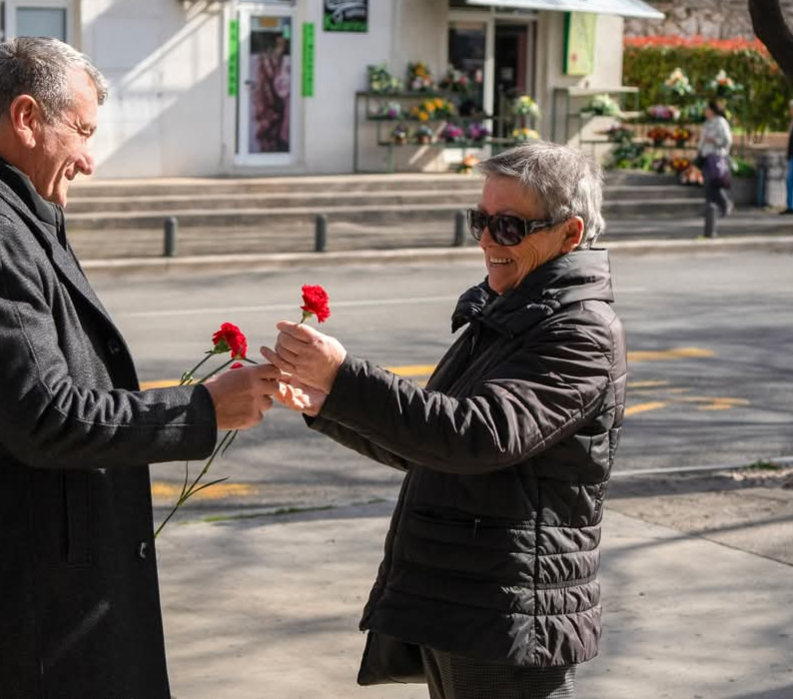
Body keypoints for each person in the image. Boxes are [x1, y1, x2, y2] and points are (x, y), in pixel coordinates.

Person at [0, 37, 280, 699]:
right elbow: (46, 416)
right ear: (26, 119)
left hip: (0, 606)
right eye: (81, 131)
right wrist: (201, 409)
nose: (88, 159)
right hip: (3, 623)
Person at [266, 143, 627, 699]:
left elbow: (474, 436)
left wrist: (344, 377)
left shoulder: (580, 330)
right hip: (469, 601)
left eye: (508, 226)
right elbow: (429, 444)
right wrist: (327, 403)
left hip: (508, 612)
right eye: (479, 220)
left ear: (570, 234)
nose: (486, 239)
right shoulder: (510, 311)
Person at [697, 98, 734, 217]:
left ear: (713, 110)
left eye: (707, 109)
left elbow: (727, 140)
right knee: (708, 184)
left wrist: (714, 140)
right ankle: (710, 208)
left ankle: (724, 204)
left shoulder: (720, 122)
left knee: (714, 183)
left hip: (717, 156)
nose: (705, 111)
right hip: (706, 156)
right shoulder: (707, 122)